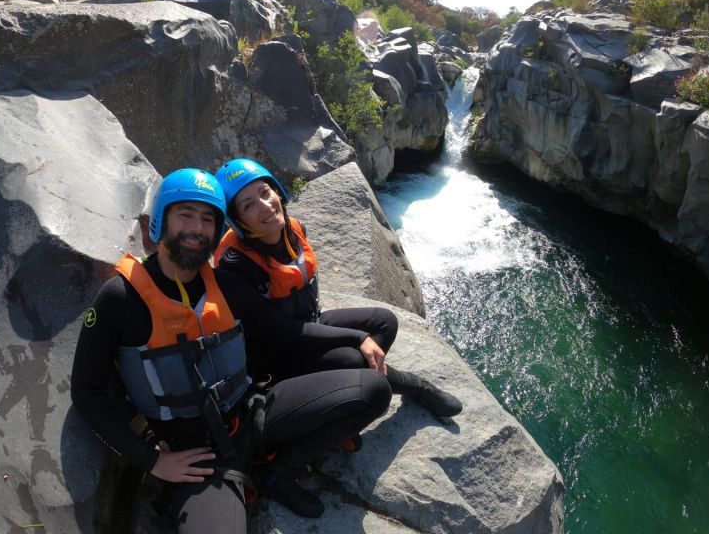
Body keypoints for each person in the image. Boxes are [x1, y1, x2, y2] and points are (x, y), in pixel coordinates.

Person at [71, 168, 392, 533]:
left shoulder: (225, 284)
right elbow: (87, 391)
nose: (197, 228)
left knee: (373, 390)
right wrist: (152, 461)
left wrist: (356, 339)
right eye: (185, 215)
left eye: (208, 219)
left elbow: (286, 332)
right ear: (160, 221)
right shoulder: (120, 299)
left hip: (255, 414)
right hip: (199, 456)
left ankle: (275, 472)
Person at [213, 158, 462, 421]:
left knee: (385, 322)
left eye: (265, 192)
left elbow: (304, 316)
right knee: (353, 358)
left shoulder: (293, 230)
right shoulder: (236, 267)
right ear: (238, 221)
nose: (265, 206)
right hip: (278, 354)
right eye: (248, 205)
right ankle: (415, 387)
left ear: (277, 191)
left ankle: (351, 390)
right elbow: (286, 333)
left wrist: (357, 338)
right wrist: (357, 338)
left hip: (307, 323)